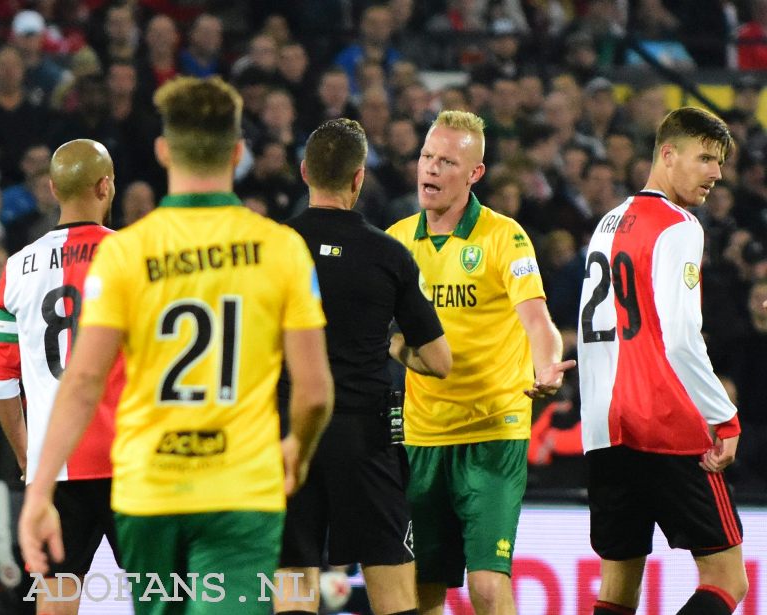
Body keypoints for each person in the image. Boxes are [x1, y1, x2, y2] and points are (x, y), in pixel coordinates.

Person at [18, 75, 334, 615]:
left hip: (150, 488)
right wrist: (296, 452)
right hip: (241, 487)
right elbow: (314, 392)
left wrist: (40, 488)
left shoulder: (125, 254)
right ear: (237, 152)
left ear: (164, 151)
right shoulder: (281, 249)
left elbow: (84, 381)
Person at [386, 110, 574, 615]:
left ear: (475, 174)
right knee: (423, 589)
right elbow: (378, 333)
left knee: (487, 586)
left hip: (493, 432)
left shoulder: (505, 237)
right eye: (427, 156)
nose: (430, 168)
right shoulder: (396, 241)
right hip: (422, 435)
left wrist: (547, 366)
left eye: (447, 161)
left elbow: (538, 321)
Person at [273, 118, 451, 615]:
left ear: (305, 171)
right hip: (364, 438)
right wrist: (394, 347)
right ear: (358, 179)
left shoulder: (271, 249)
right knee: (393, 594)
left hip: (287, 433)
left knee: (293, 588)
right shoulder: (388, 254)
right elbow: (440, 361)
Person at [577, 106, 749, 615]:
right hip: (663, 421)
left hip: (605, 428)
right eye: (705, 159)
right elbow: (678, 336)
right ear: (667, 155)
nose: (716, 174)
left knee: (618, 584)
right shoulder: (679, 225)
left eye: (719, 162)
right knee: (726, 578)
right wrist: (724, 415)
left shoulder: (609, 222)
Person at [0, 138, 124, 615]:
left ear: (52, 188)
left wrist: (30, 460)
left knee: (56, 598)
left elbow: (2, 383)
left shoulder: (17, 268)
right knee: (162, 598)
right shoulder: (133, 257)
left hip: (56, 463)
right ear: (105, 185)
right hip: (129, 461)